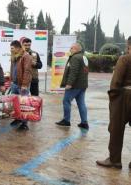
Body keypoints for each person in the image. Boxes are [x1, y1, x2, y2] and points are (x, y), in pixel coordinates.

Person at [96, 36, 131, 169]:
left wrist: (113, 98)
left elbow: (115, 82)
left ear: (128, 46)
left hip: (124, 97)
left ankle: (114, 160)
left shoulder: (125, 59)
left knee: (116, 129)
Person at [55, 43, 89, 130]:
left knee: (66, 101)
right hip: (82, 85)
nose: (70, 50)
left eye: (71, 48)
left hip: (74, 85)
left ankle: (66, 121)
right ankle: (84, 122)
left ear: (76, 49)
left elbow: (74, 71)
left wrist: (69, 84)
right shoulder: (83, 57)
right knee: (81, 103)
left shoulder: (75, 58)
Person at [9, 40, 33, 131]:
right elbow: (12, 69)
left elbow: (27, 71)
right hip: (14, 84)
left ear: (18, 48)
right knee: (15, 104)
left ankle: (25, 123)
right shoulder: (14, 56)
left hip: (22, 85)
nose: (11, 50)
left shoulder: (26, 56)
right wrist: (11, 81)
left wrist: (24, 85)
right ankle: (18, 119)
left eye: (12, 48)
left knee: (24, 104)